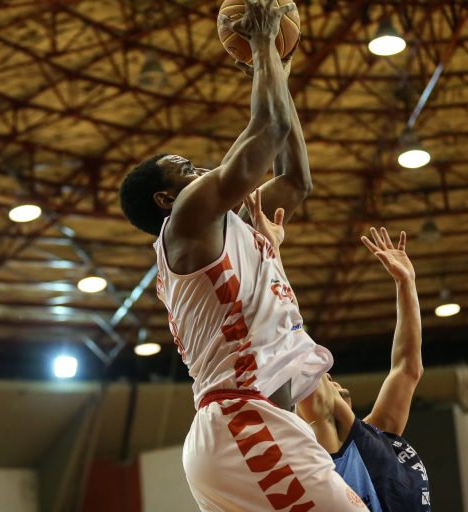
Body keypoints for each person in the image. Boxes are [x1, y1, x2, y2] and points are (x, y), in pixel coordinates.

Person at [119, 1, 366, 509]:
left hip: (255, 426)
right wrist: (262, 43)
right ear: (166, 199)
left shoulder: (229, 224)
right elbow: (267, 131)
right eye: (186, 170)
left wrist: (276, 70)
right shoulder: (187, 220)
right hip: (243, 421)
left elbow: (295, 180)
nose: (200, 171)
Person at [296, 227, 431, 511]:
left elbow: (408, 368)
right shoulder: (331, 439)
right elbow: (310, 383)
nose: (329, 377)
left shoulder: (376, 433)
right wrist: (268, 266)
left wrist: (406, 283)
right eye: (325, 379)